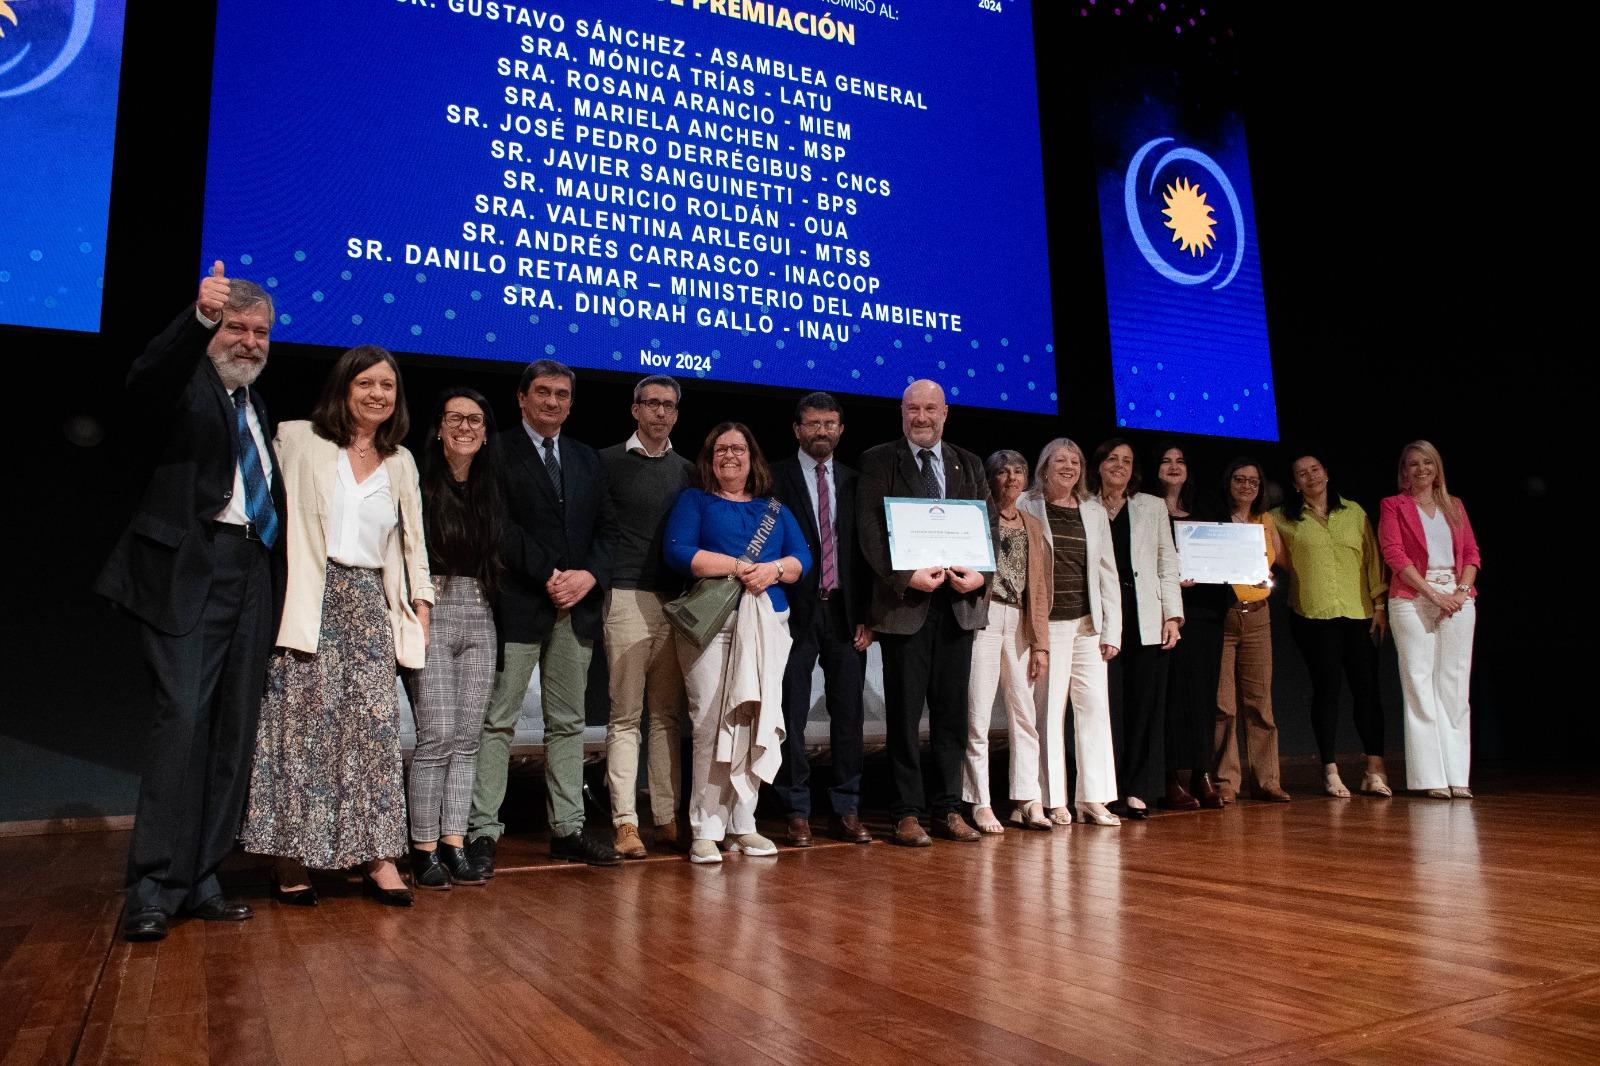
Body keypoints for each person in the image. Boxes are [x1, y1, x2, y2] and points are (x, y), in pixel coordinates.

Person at [98, 262, 286, 940]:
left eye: (260, 331)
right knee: (181, 720)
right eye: (236, 327)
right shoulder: (189, 385)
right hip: (189, 570)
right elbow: (145, 381)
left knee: (232, 732)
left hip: (249, 574)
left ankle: (199, 875)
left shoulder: (253, 404)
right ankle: (150, 887)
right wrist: (197, 318)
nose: (249, 341)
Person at [239, 345, 433, 907]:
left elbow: (412, 539)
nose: (377, 394)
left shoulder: (400, 461)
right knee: (300, 736)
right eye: (366, 383)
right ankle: (290, 858)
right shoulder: (299, 439)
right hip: (310, 600)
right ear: (344, 388)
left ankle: (379, 857)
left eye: (387, 386)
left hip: (371, 604)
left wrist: (420, 602)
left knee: (373, 736)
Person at [467, 360, 619, 872]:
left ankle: (569, 829)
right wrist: (553, 574)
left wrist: (588, 577)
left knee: (568, 723)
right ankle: (483, 832)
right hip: (518, 604)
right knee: (498, 722)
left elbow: (608, 530)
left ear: (571, 403)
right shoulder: (497, 449)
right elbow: (497, 524)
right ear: (521, 398)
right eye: (543, 392)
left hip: (576, 609)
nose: (553, 401)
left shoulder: (586, 458)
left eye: (562, 394)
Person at [665, 423, 810, 864]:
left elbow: (802, 558)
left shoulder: (775, 509)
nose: (731, 455)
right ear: (709, 459)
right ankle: (705, 828)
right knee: (711, 723)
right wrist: (741, 565)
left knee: (755, 720)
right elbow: (677, 552)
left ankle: (743, 825)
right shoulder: (695, 501)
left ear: (753, 458)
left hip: (767, 624)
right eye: (721, 449)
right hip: (714, 626)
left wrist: (774, 570)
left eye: (739, 448)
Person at [856, 380, 991, 846]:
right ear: (901, 411)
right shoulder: (878, 460)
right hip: (905, 607)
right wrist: (904, 577)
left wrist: (982, 576)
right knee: (905, 717)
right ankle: (906, 812)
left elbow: (986, 528)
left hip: (957, 606)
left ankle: (948, 809)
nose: (921, 416)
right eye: (913, 408)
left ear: (945, 413)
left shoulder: (969, 463)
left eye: (930, 408)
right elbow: (870, 533)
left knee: (952, 717)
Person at [406, 388, 503, 889]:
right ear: (439, 428)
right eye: (455, 419)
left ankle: (454, 843)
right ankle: (422, 850)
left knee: (468, 740)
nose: (465, 427)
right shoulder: (419, 482)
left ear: (486, 433)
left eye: (475, 420)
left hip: (480, 611)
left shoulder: (491, 489)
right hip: (431, 607)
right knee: (437, 736)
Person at [771, 392, 875, 846]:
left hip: (846, 614)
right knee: (791, 713)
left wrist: (869, 614)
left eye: (830, 424)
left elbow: (869, 553)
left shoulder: (857, 481)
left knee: (849, 715)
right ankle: (796, 809)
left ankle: (846, 808)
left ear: (841, 430)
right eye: (813, 424)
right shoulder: (773, 477)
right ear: (797, 429)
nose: (821, 431)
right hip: (793, 613)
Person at [598, 375, 695, 858]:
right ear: (634, 409)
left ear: (676, 414)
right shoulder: (608, 462)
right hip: (625, 595)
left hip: (676, 603)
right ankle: (625, 822)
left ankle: (665, 817)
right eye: (651, 404)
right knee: (625, 716)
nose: (660, 412)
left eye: (669, 405)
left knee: (667, 718)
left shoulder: (689, 470)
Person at [1273, 452, 1391, 798]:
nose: (1310, 476)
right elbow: (1272, 551)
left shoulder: (1354, 512)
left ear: (1327, 473)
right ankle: (1330, 770)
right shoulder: (1281, 518)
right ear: (1295, 484)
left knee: (1367, 691)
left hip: (1358, 613)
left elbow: (1372, 559)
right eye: (1301, 474)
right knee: (1327, 691)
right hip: (1313, 615)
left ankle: (1374, 769)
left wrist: (1379, 605)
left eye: (1315, 469)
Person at [1021, 438, 1123, 826]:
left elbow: (1107, 573)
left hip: (1088, 627)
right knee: (1048, 714)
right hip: (1049, 627)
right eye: (1060, 460)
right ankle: (1051, 799)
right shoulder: (1027, 506)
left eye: (1075, 461)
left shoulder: (1093, 511)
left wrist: (1111, 629)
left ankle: (1093, 798)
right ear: (1044, 466)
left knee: (1095, 710)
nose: (1069, 466)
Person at [1378, 441, 1481, 799]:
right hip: (1412, 597)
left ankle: (1458, 776)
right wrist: (1432, 594)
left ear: (1436, 469)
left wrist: (1461, 591)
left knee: (1453, 688)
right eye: (1411, 464)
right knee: (1419, 685)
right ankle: (1429, 777)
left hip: (1457, 596)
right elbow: (1394, 553)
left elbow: (1471, 553)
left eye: (1427, 463)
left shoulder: (1455, 506)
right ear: (1403, 472)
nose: (1420, 469)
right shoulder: (1393, 506)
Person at [1089, 439, 1183, 820]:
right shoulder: (1084, 505)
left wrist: (1172, 616)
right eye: (1112, 458)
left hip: (1145, 614)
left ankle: (1138, 788)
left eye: (1127, 460)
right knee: (1104, 707)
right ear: (1098, 464)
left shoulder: (1152, 506)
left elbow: (1167, 564)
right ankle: (1103, 788)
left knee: (1143, 704)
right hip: (1099, 617)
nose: (1119, 466)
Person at [963, 450, 1051, 833]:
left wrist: (1041, 643)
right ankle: (980, 801)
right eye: (1003, 471)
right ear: (990, 477)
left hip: (1018, 620)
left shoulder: (1032, 525)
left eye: (1018, 471)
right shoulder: (977, 518)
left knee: (1024, 715)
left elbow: (1041, 587)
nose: (1011, 478)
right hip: (983, 619)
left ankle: (1027, 798)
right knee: (978, 715)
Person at [1212, 458, 1289, 805]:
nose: (1246, 486)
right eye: (1240, 479)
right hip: (1225, 617)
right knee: (1224, 705)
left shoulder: (1265, 521)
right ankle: (1227, 780)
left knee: (1260, 704)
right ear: (1228, 482)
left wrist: (1267, 580)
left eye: (1253, 482)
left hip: (1258, 616)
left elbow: (1277, 565)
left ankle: (1268, 779)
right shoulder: (1217, 519)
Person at [1153, 445, 1224, 809]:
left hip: (1203, 615)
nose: (1174, 466)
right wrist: (1169, 581)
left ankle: (1202, 773)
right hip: (1160, 613)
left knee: (1201, 698)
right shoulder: (1146, 508)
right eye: (1166, 461)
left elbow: (1224, 556)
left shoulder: (1207, 507)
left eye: (1181, 461)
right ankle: (1167, 776)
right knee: (1167, 698)